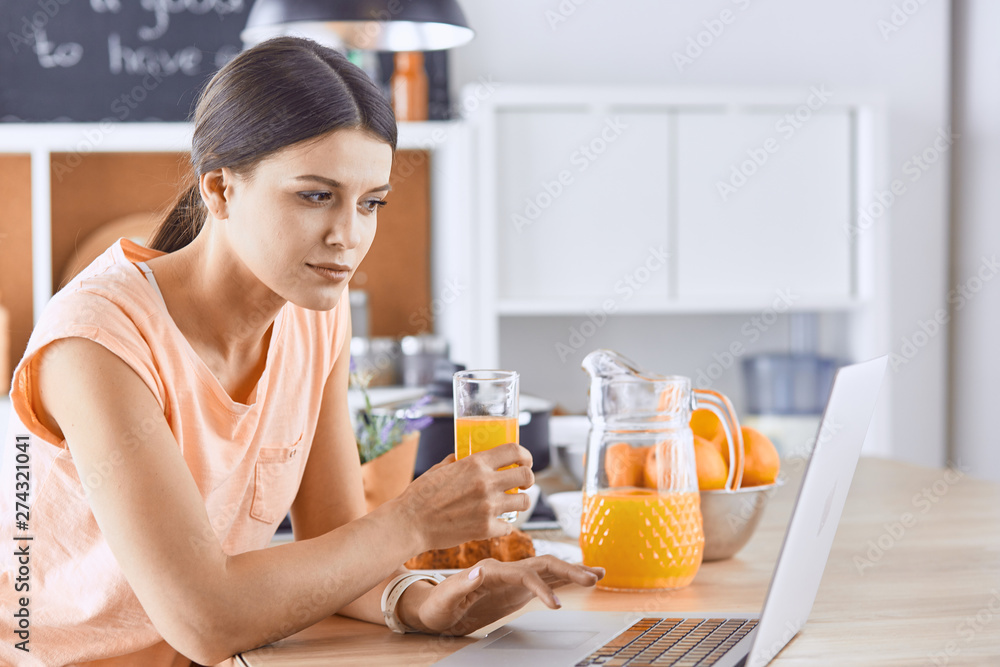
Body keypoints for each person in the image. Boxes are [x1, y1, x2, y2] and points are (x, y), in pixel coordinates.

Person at [0, 36, 603, 666]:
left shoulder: (315, 315)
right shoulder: (97, 340)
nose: (348, 236)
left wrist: (423, 602)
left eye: (371, 203)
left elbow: (340, 546)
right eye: (316, 195)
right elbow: (205, 621)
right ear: (220, 190)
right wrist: (413, 520)